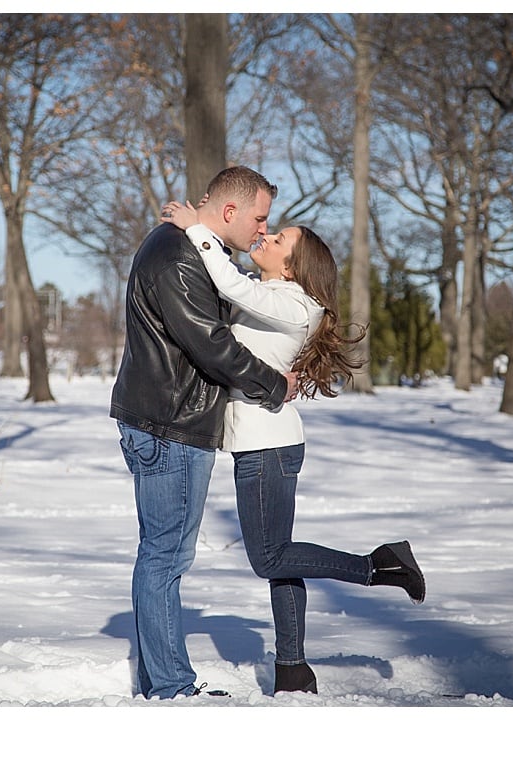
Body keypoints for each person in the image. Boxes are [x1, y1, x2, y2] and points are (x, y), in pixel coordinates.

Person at [162, 199, 426, 695]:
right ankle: (292, 668)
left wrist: (196, 228)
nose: (267, 237)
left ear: (292, 266)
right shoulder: (274, 295)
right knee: (282, 559)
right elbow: (232, 286)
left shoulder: (294, 304)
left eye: (279, 239)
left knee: (269, 557)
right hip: (265, 443)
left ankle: (378, 565)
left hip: (268, 447)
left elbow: (230, 283)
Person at [112, 166, 297, 700]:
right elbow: (212, 345)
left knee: (161, 552)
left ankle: (159, 682)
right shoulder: (177, 257)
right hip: (171, 423)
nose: (264, 230)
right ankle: (172, 688)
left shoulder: (188, 248)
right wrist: (274, 385)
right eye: (260, 218)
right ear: (231, 211)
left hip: (165, 419)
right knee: (166, 556)